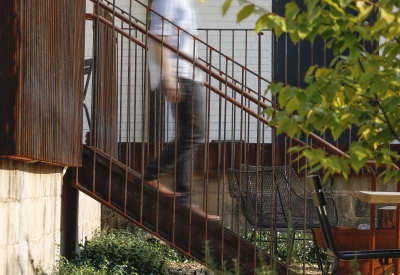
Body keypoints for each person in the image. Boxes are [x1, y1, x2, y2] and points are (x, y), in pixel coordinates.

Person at [144, 0, 219, 221]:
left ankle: (184, 200)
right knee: (194, 133)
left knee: (190, 134)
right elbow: (158, 37)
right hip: (179, 75)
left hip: (188, 75)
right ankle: (151, 175)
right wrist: (169, 77)